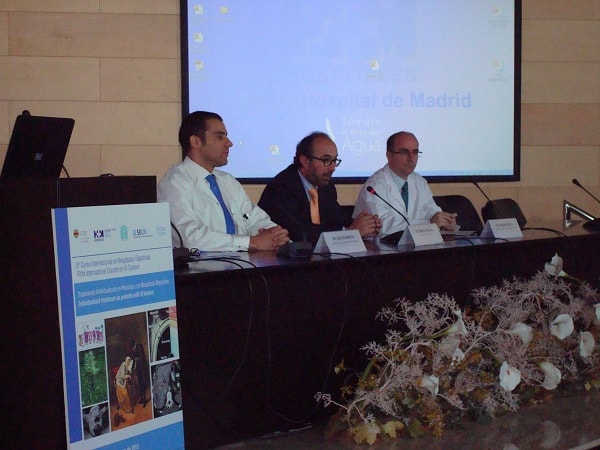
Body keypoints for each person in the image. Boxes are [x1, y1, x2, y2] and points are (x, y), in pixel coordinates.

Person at [158, 111, 289, 251]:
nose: (229, 143)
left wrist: (275, 235)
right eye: (220, 137)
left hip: (241, 264)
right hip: (201, 269)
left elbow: (249, 216)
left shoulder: (227, 181)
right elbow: (189, 237)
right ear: (196, 142)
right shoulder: (174, 183)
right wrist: (252, 242)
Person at [258, 131, 382, 244]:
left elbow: (339, 220)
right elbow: (299, 235)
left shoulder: (326, 187)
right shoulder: (281, 188)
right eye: (326, 160)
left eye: (334, 160)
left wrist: (368, 225)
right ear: (305, 161)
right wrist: (351, 232)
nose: (332, 168)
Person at [354, 131, 457, 237]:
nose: (411, 158)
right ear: (389, 155)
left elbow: (430, 211)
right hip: (382, 249)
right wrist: (428, 223)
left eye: (415, 152)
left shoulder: (419, 181)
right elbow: (383, 226)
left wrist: (445, 222)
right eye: (404, 152)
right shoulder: (374, 186)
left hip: (417, 245)